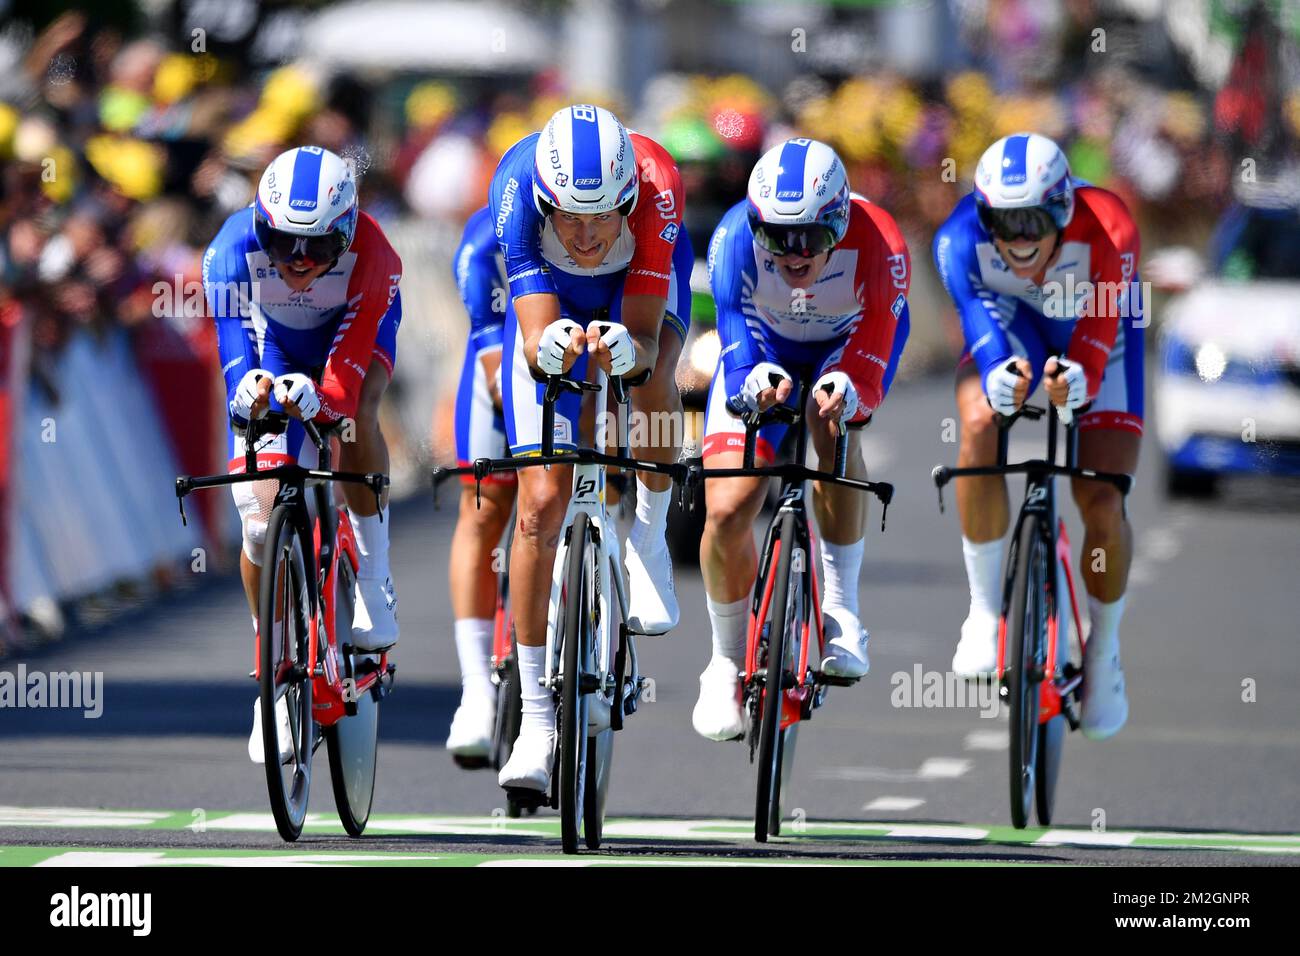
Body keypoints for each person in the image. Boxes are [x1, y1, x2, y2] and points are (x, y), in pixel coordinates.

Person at [489, 104, 692, 793]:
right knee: (540, 501)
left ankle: (651, 538)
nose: (583, 234)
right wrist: (551, 348)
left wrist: (623, 351)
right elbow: (533, 336)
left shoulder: (659, 188)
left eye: (601, 217)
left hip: (636, 289)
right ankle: (537, 721)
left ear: (628, 201)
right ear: (545, 201)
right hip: (554, 300)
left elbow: (636, 338)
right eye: (568, 219)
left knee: (654, 369)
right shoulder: (515, 188)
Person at [692, 138, 911, 741]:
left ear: (840, 221)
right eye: (777, 236)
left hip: (849, 345)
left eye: (811, 236)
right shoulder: (734, 237)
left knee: (832, 423)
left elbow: (879, 332)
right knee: (729, 507)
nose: (793, 253)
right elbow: (732, 326)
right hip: (763, 349)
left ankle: (840, 607)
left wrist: (851, 383)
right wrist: (748, 378)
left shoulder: (881, 240)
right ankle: (725, 660)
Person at [932, 132, 1142, 740]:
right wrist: (998, 374)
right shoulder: (956, 239)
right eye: (1005, 222)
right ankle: (983, 612)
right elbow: (980, 324)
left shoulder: (1109, 225)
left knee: (1102, 499)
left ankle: (1102, 653)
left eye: (1035, 222)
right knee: (976, 421)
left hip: (1101, 335)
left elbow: (1103, 323)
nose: (1020, 238)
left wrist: (1083, 377)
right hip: (1015, 328)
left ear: (1064, 211)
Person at [203, 145, 403, 762]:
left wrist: (324, 401)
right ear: (260, 223)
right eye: (282, 240)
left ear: (345, 234)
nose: (297, 260)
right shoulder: (228, 252)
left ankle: (371, 572)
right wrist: (252, 391)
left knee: (356, 419)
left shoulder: (376, 254)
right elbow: (236, 351)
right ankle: (270, 667)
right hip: (273, 349)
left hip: (351, 343)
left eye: (317, 247)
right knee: (259, 521)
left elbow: (342, 386)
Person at [444, 205, 517, 762]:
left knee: (596, 488)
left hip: (588, 362)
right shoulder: (513, 202)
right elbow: (470, 258)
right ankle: (475, 691)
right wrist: (492, 346)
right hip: (506, 356)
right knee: (484, 506)